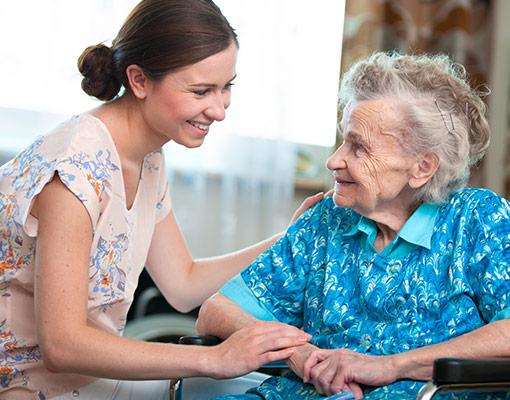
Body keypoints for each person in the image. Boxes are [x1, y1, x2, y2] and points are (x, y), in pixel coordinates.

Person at [0, 0, 321, 399]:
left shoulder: (147, 154)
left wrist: (289, 238)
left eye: (227, 87)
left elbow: (182, 284)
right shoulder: (75, 172)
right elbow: (62, 346)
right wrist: (216, 358)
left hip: (87, 383)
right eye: (201, 90)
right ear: (139, 80)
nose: (219, 110)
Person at [196, 51, 510, 400]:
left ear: (422, 168)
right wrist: (298, 354)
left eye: (358, 147)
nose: (334, 161)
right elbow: (215, 311)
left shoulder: (479, 219)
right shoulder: (328, 218)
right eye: (343, 140)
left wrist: (389, 366)